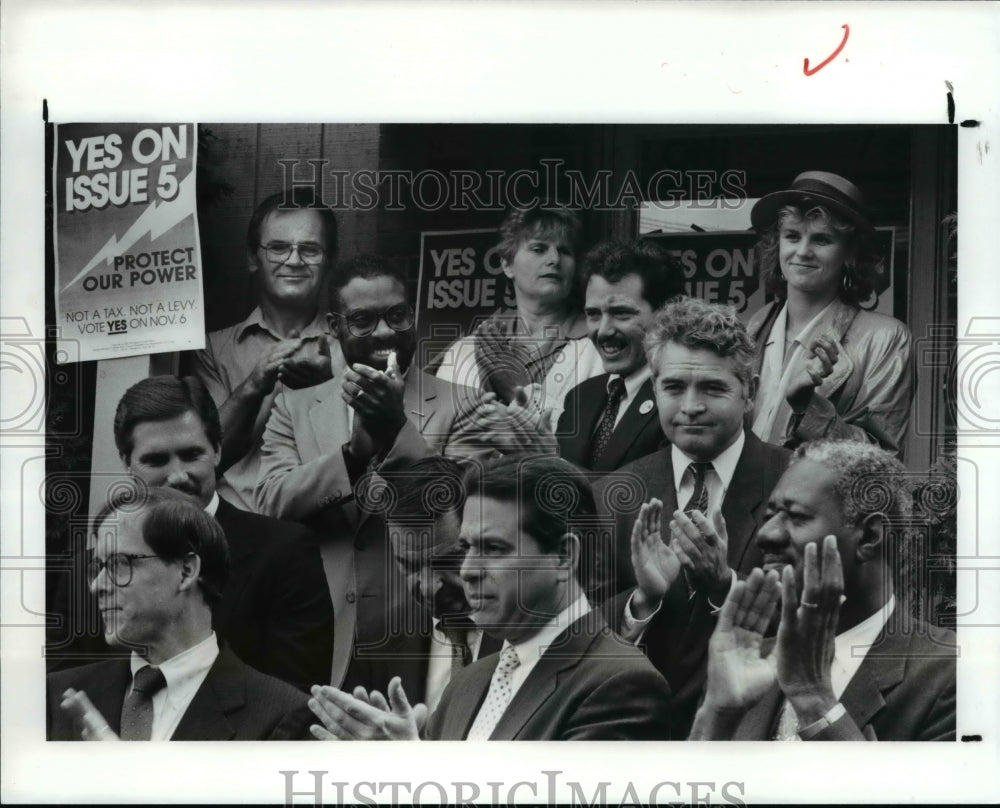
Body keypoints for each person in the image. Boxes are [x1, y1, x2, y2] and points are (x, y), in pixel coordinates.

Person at [308, 455, 675, 741]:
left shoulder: (620, 683)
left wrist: (415, 770)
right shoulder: (465, 687)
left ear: (564, 556)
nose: (468, 569)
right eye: (466, 548)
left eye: (494, 548)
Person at [255, 254, 486, 688]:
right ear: (333, 326)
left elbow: (466, 519)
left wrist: (396, 431)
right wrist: (352, 456)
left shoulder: (465, 404)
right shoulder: (295, 405)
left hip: (423, 636)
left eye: (397, 315)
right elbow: (270, 502)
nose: (384, 332)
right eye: (362, 320)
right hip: (316, 638)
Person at [593, 297, 790, 735]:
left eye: (713, 389)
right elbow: (578, 636)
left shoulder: (794, 484)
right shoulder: (612, 495)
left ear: (751, 392)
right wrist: (641, 602)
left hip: (751, 740)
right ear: (655, 389)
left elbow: (825, 619)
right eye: (674, 387)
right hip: (631, 742)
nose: (691, 405)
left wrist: (727, 588)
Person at [690, 440, 956, 741]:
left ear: (869, 536)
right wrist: (718, 714)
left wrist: (816, 701)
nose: (765, 535)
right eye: (769, 516)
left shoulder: (950, 674)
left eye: (796, 516)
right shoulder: (752, 660)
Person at [108, 375, 334, 691]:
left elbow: (295, 703)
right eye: (156, 460)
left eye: (191, 455)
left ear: (217, 450)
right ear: (126, 463)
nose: (177, 476)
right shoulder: (94, 564)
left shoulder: (285, 553)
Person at [47, 487, 313, 741]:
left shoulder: (281, 714)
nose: (97, 586)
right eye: (97, 568)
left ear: (186, 571)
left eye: (119, 564)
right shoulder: (54, 696)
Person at [187, 187, 342, 511]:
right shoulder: (214, 350)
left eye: (310, 249)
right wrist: (255, 385)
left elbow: (366, 452)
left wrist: (331, 384)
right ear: (252, 258)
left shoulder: (351, 349)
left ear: (330, 261)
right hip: (239, 538)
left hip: (327, 533)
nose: (294, 260)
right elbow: (204, 458)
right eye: (278, 247)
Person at [748, 171, 914, 458]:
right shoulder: (751, 329)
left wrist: (808, 407)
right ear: (778, 245)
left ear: (849, 253)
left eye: (821, 240)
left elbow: (879, 459)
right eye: (792, 236)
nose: (802, 251)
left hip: (813, 503)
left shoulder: (886, 338)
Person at [340, 456, 502, 710]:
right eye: (409, 565)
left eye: (447, 562)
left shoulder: (533, 633)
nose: (428, 587)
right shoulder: (376, 639)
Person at [434, 206, 603, 422]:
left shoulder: (598, 346)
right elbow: (442, 437)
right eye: (539, 249)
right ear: (507, 265)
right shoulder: (466, 350)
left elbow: (593, 441)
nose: (555, 259)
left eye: (565, 251)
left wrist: (515, 391)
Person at [556, 239, 684, 473]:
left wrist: (552, 467)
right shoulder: (580, 398)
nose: (603, 330)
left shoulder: (683, 400)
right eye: (593, 314)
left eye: (621, 313)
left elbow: (656, 495)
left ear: (668, 313)